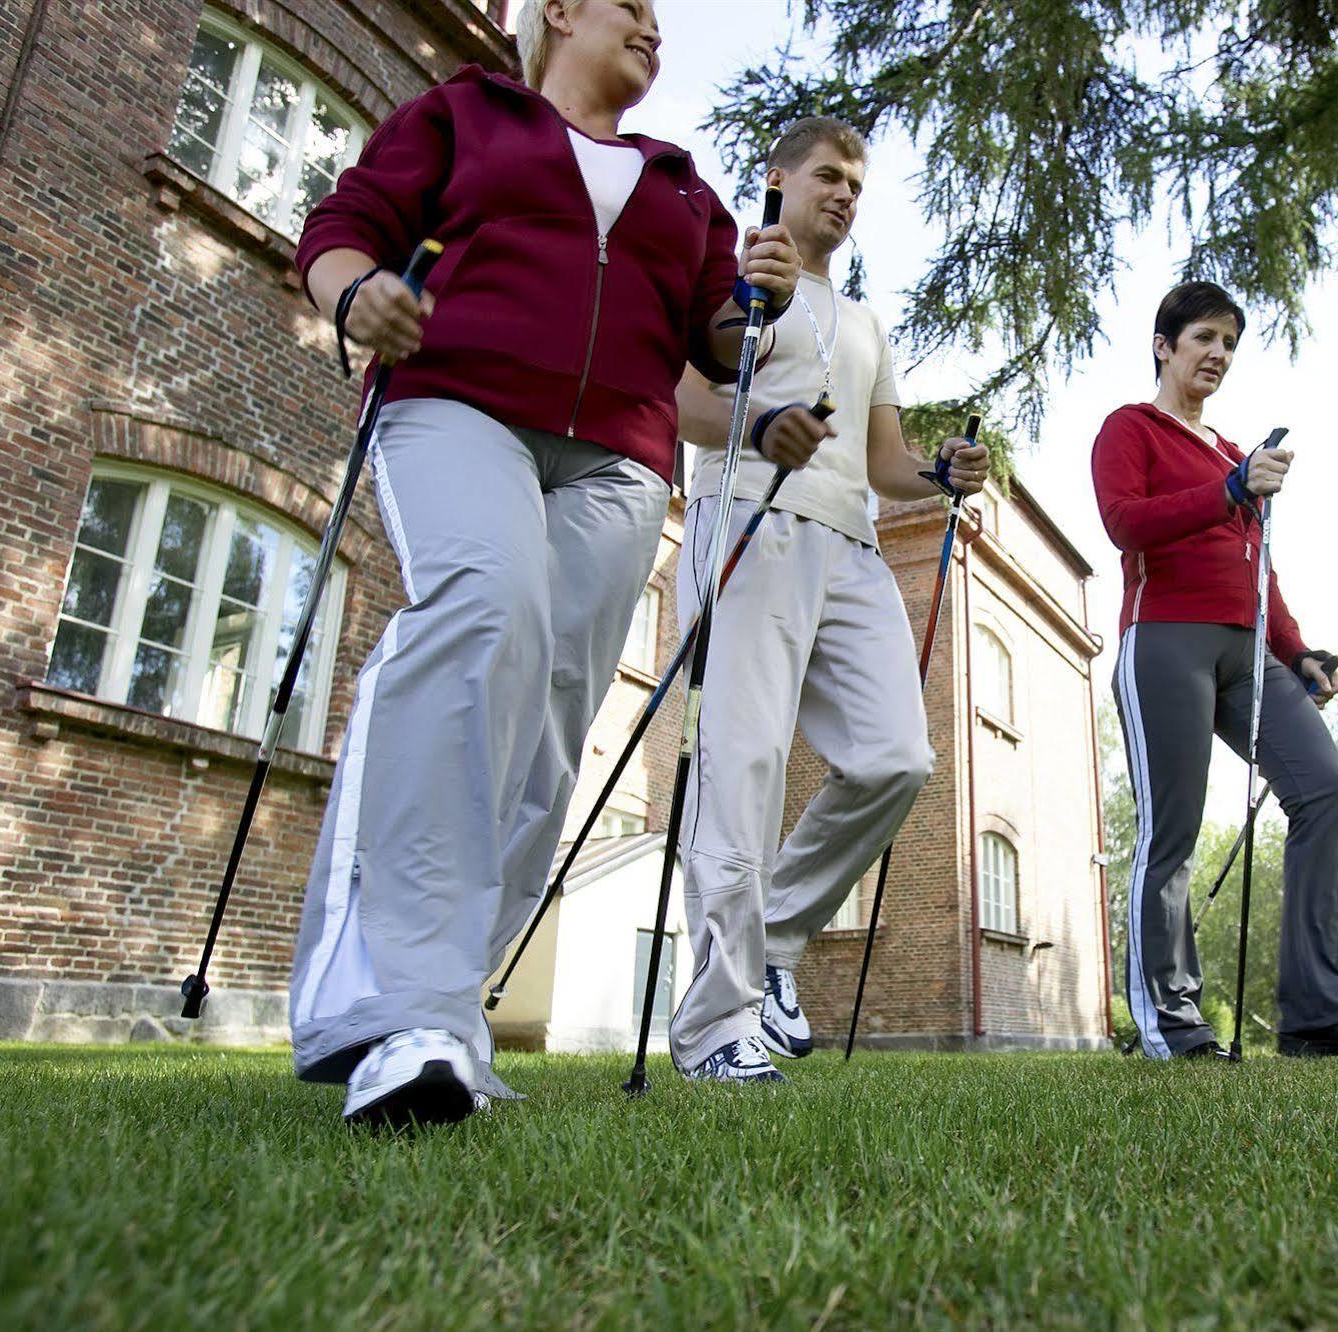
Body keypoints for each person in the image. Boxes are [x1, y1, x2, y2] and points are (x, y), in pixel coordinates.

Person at [284, 0, 800, 1126]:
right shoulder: (469, 112)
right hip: (455, 400)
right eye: (635, 6)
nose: (656, 28)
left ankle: (449, 1015)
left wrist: (761, 293)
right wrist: (356, 295)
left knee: (556, 712)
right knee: (481, 612)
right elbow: (343, 226)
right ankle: (389, 1010)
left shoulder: (678, 180)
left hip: (619, 457)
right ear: (558, 11)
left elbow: (718, 336)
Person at [666, 117, 991, 1083]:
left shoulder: (862, 321)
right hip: (747, 524)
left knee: (898, 757)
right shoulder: (734, 285)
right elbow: (677, 398)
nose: (845, 195)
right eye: (829, 175)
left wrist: (941, 473)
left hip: (851, 546)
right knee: (746, 764)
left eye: (858, 183)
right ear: (778, 180)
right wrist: (761, 424)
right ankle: (715, 1028)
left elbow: (883, 461)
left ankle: (770, 940)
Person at [1092, 281, 1338, 1060]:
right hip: (1164, 639)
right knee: (1171, 831)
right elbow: (1122, 523)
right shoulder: (1129, 428)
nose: (1218, 355)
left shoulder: (1236, 454)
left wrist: (1298, 649)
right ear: (1162, 346)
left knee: (1323, 789)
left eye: (1229, 344)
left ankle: (1317, 1010)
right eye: (1203, 338)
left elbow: (1260, 568)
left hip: (1252, 652)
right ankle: (1171, 1020)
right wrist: (1227, 492)